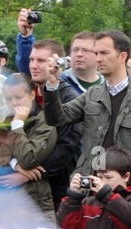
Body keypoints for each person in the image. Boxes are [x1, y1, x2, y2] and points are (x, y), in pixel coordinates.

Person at [43, 30, 131, 188]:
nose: (98, 59)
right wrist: (53, 85)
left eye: (104, 53)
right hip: (87, 186)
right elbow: (57, 119)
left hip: (125, 189)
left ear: (122, 56)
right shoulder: (92, 94)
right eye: (96, 53)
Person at [0, 75, 58, 219]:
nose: (14, 103)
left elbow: (29, 158)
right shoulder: (3, 125)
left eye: (18, 97)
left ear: (32, 95)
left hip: (35, 207)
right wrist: (13, 164)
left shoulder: (45, 123)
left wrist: (17, 126)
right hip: (2, 207)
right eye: (9, 99)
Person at [25, 38, 83, 206]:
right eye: (31, 60)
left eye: (41, 60)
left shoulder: (70, 97)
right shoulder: (27, 93)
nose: (34, 65)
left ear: (56, 63)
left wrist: (28, 173)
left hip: (59, 186)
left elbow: (66, 147)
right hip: (29, 186)